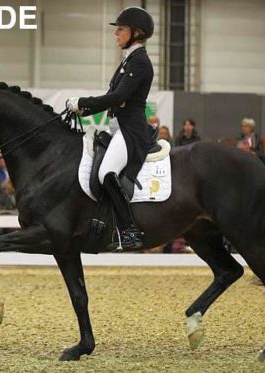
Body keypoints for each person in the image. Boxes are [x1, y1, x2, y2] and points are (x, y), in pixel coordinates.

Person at [65, 6, 155, 249]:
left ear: (137, 33)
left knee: (106, 173)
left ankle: (130, 231)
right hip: (118, 126)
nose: (116, 34)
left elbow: (119, 96)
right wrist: (82, 109)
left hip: (130, 130)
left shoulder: (140, 62)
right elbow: (113, 96)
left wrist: (83, 103)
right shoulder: (129, 60)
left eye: (121, 30)